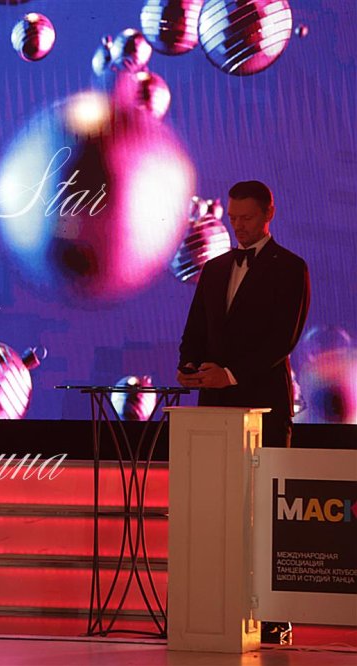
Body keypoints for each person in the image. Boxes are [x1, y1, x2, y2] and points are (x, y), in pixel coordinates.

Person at [177, 180, 309, 645]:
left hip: (264, 406)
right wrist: (189, 368)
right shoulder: (215, 268)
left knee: (266, 512)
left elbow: (283, 339)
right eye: (233, 218)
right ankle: (215, 605)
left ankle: (273, 613)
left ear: (269, 213)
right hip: (213, 412)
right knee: (215, 509)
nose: (238, 226)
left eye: (247, 218)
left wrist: (230, 375)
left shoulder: (290, 268)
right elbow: (195, 331)